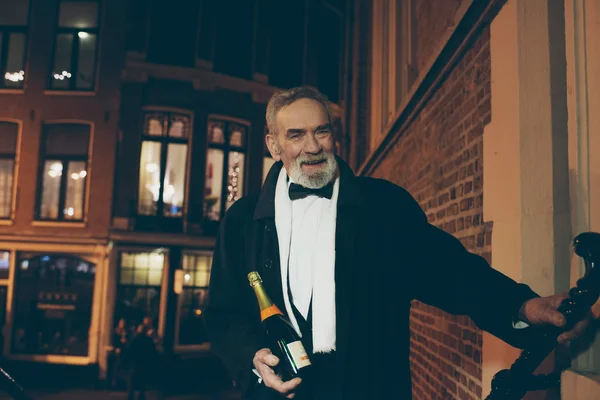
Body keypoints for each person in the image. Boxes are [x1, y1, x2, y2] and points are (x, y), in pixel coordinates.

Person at [203, 86, 592, 400]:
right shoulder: (241, 222)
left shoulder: (384, 206)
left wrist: (520, 304)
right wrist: (252, 357)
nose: (312, 146)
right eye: (296, 135)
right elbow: (224, 314)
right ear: (274, 145)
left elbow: (451, 271)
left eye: (321, 131)